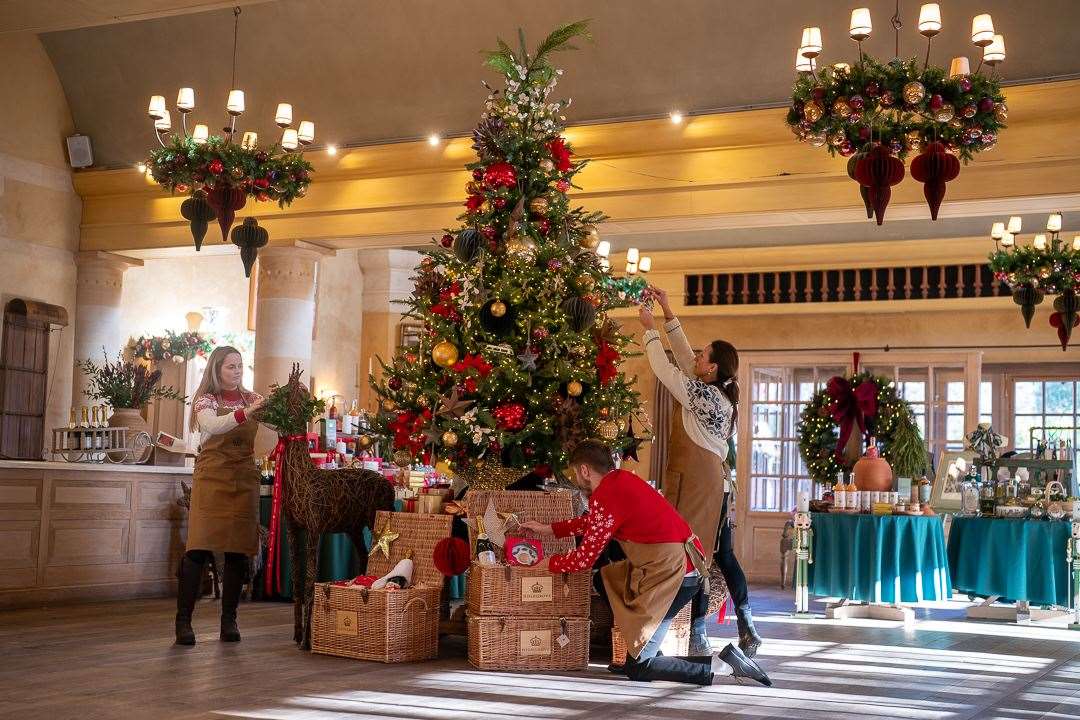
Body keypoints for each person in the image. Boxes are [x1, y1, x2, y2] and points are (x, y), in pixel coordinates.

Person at [522, 441, 770, 687]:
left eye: (575, 472)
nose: (576, 478)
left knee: (638, 668)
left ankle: (723, 665)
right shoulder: (620, 481)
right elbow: (593, 523)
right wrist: (550, 529)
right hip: (673, 569)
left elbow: (584, 559)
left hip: (673, 577)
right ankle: (646, 648)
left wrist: (547, 563)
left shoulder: (606, 494)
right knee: (606, 579)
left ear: (585, 470)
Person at [638, 287, 761, 658]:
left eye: (702, 354)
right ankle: (743, 626)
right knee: (720, 556)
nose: (695, 355)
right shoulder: (716, 390)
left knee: (697, 557)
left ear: (711, 368)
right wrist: (666, 309)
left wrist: (648, 329)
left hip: (702, 485)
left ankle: (698, 634)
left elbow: (665, 368)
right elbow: (683, 355)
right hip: (715, 484)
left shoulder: (703, 395)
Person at [175, 346, 265, 646]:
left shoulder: (252, 398)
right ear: (217, 369)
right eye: (230, 366)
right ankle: (184, 622)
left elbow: (276, 422)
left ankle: (229, 620)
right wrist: (247, 412)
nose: (237, 371)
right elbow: (213, 425)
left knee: (237, 551)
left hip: (242, 480)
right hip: (212, 478)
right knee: (198, 549)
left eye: (240, 365)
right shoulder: (206, 401)